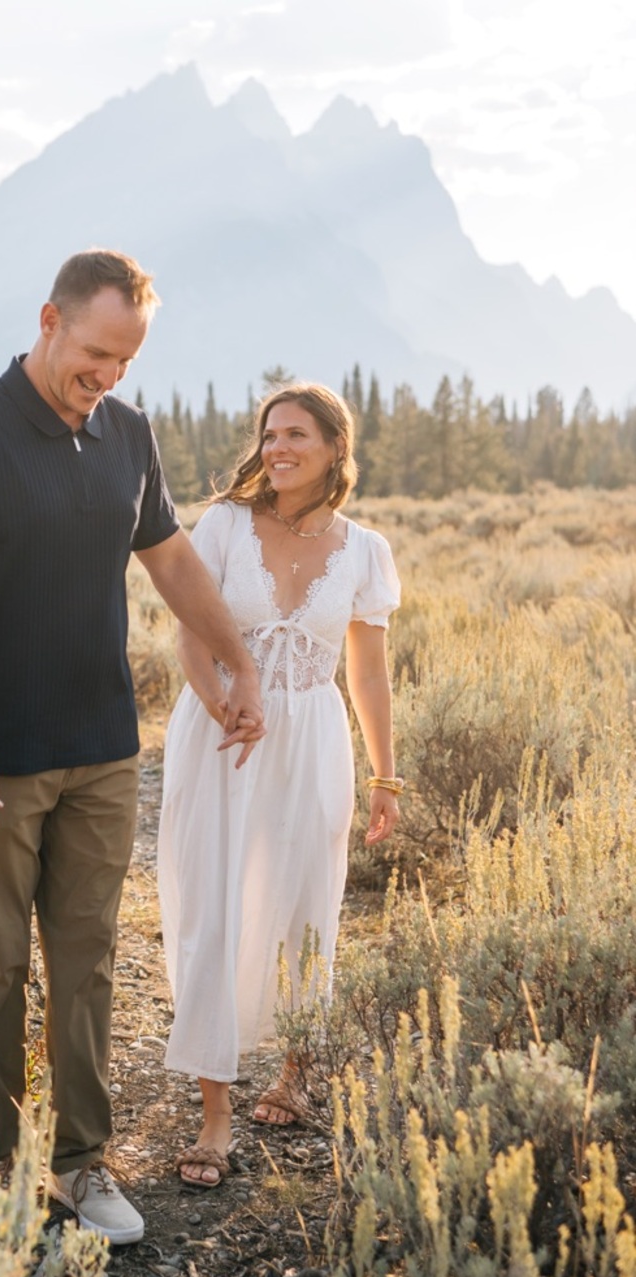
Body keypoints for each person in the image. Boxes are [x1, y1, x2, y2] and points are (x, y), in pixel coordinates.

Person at [0, 249, 264, 1243]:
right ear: (48, 320)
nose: (105, 376)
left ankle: (79, 1166)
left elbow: (173, 559)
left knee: (88, 962)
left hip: (102, 750)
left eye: (125, 361)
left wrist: (236, 662)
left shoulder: (126, 434)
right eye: (95, 352)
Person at [156, 382, 401, 1188]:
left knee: (308, 903)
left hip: (316, 737)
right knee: (216, 905)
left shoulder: (364, 548)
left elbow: (367, 670)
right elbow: (190, 637)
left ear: (335, 446)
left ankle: (295, 1071)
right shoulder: (225, 524)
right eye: (269, 434)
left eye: (297, 434)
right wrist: (226, 703)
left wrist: (384, 775)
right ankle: (216, 1115)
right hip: (225, 731)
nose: (278, 448)